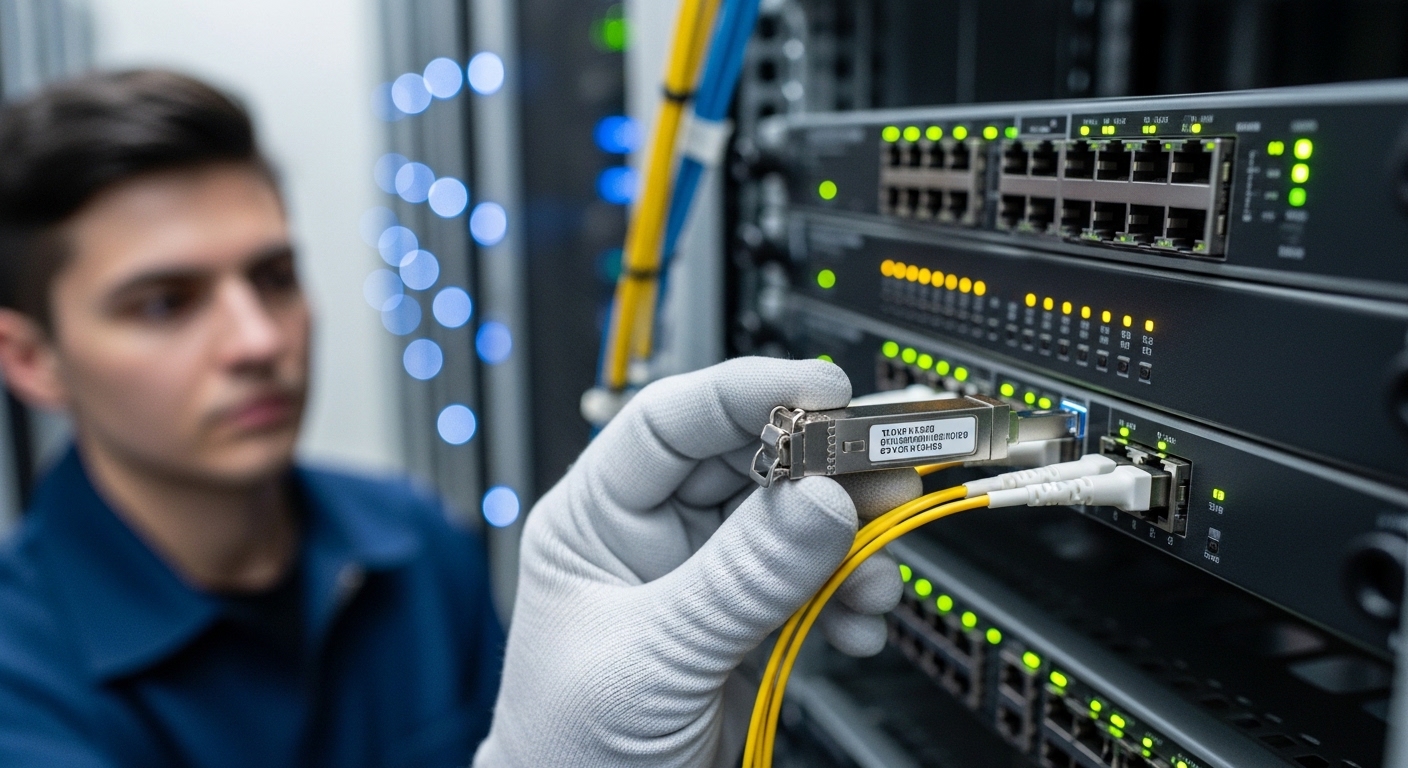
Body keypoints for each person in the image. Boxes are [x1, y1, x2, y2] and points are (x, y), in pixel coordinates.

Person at [0, 70, 915, 767]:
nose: (253, 338)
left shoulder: (407, 539)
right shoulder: (20, 684)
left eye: (274, 278)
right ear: (32, 359)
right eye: (165, 303)